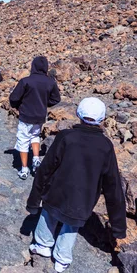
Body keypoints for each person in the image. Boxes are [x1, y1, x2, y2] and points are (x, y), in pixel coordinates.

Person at [26, 97, 126, 272]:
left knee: (48, 214)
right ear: (102, 120)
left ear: (78, 114)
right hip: (82, 201)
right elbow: (113, 187)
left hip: (55, 193)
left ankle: (43, 244)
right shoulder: (105, 146)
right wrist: (118, 227)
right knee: (71, 226)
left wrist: (34, 201)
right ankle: (62, 258)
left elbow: (45, 169)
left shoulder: (66, 137)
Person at [9, 56, 61, 179]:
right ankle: (36, 158)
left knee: (23, 140)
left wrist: (17, 106)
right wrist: (45, 104)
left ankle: (24, 169)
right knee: (35, 136)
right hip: (40, 116)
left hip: (27, 115)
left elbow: (14, 98)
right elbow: (56, 99)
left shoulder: (26, 81)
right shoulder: (50, 82)